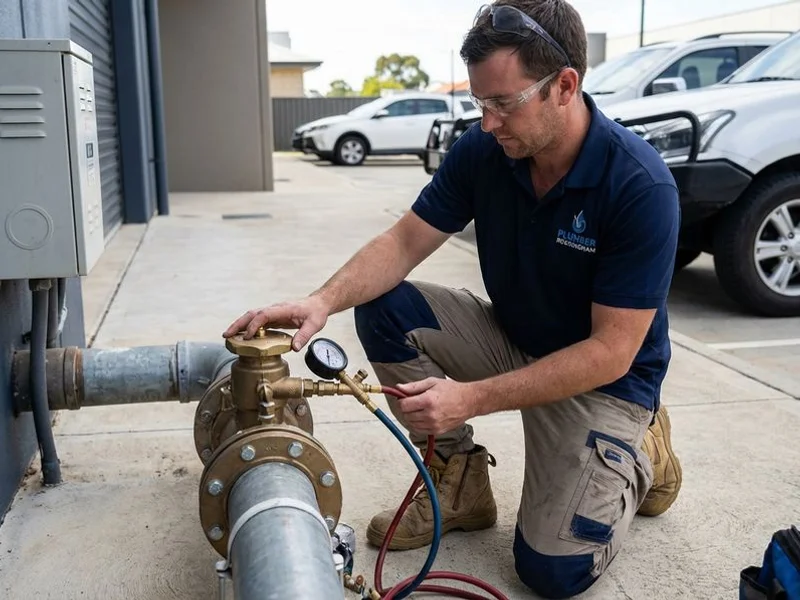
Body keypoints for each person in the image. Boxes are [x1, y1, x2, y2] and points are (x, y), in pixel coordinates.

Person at [224, 0, 683, 597]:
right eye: (479, 102)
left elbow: (611, 352)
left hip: (602, 386)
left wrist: (470, 398)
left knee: (552, 572)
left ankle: (644, 448)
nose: (488, 122)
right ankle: (460, 480)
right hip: (515, 339)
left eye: (504, 102)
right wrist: (321, 301)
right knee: (387, 308)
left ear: (564, 86)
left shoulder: (638, 186)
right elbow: (404, 240)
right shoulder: (487, 151)